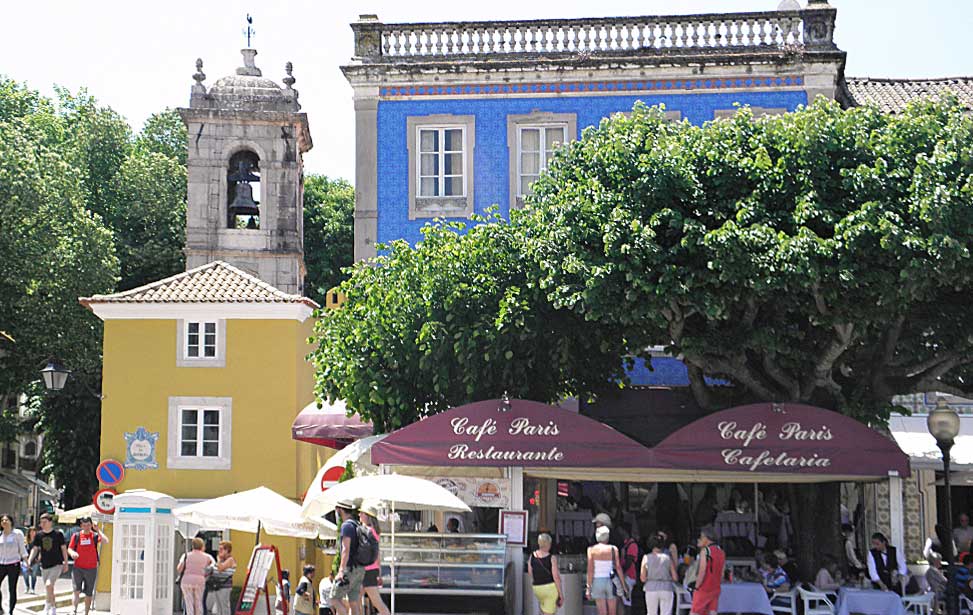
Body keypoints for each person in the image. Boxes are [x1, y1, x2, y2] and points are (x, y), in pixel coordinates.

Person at [67, 517, 109, 615]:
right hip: (78, 567)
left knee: (88, 593)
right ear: (81, 526)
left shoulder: (94, 536)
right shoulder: (76, 536)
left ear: (91, 525)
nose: (86, 527)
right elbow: (70, 548)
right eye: (84, 525)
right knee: (76, 590)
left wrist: (98, 530)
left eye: (88, 525)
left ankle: (86, 612)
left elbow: (106, 540)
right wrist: (72, 553)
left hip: (91, 568)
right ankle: (74, 610)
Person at [329, 500, 364, 615]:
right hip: (359, 568)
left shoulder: (346, 526)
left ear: (340, 510)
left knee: (333, 598)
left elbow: (345, 549)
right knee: (354, 603)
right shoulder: (356, 524)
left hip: (349, 569)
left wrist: (340, 571)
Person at [28, 512, 68, 615]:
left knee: (48, 584)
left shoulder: (58, 534)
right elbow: (35, 549)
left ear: (50, 522)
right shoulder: (39, 535)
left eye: (44, 522)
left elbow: (64, 549)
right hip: (44, 565)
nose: (42, 524)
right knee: (49, 588)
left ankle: (47, 606)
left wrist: (66, 563)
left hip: (57, 564)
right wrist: (29, 560)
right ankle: (53, 607)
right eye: (41, 522)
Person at [587, 526, 628, 615]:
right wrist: (623, 585)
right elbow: (618, 567)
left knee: (602, 612)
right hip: (611, 581)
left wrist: (588, 587)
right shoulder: (614, 549)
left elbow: (590, 570)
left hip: (597, 581)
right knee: (613, 612)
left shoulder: (591, 550)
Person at [358, 504, 389, 615]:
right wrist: (379, 572)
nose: (359, 515)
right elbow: (377, 555)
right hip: (372, 570)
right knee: (357, 602)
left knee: (375, 602)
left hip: (363, 570)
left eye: (361, 513)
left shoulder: (363, 531)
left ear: (367, 516)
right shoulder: (375, 532)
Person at [690, 529, 725, 615]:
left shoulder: (705, 551)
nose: (699, 540)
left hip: (703, 588)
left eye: (701, 537)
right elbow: (722, 574)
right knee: (712, 612)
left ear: (707, 538)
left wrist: (696, 587)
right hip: (715, 588)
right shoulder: (721, 552)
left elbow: (702, 572)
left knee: (695, 612)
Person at [176, 537, 215, 615]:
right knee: (198, 602)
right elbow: (212, 568)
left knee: (189, 603)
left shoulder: (186, 555)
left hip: (186, 581)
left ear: (192, 546)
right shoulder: (207, 557)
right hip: (200, 581)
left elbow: (179, 569)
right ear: (202, 546)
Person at [641, 535, 677, 615]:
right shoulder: (668, 558)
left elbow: (642, 578)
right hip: (666, 588)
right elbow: (675, 577)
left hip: (651, 588)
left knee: (651, 613)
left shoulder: (646, 558)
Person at [529, 533, 563, 615]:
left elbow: (531, 572)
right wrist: (561, 594)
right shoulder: (551, 558)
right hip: (549, 589)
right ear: (548, 544)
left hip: (537, 588)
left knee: (543, 611)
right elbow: (556, 577)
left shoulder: (532, 556)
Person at [0, 514, 25, 615]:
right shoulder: (0, 535)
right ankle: (0, 608)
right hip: (1, 563)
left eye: (6, 520)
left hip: (13, 564)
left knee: (12, 588)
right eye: (2, 520)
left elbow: (22, 549)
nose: (4, 522)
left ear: (11, 522)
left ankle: (11, 610)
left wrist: (27, 563)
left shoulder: (17, 534)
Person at [208, 541, 236, 615]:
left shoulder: (230, 559)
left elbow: (221, 568)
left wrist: (218, 559)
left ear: (227, 550)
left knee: (224, 606)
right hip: (218, 585)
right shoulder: (222, 560)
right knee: (219, 607)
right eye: (219, 549)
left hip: (225, 586)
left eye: (221, 549)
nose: (219, 551)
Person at [618, 524, 640, 612]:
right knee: (623, 599)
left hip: (629, 576)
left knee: (627, 600)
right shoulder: (625, 544)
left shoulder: (632, 545)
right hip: (625, 576)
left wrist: (622, 574)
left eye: (621, 531)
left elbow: (629, 562)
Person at [23, 527, 39, 595]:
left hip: (35, 560)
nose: (32, 533)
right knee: (25, 574)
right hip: (25, 559)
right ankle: (27, 587)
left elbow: (40, 550)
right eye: (31, 532)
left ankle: (32, 588)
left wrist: (39, 558)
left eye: (34, 531)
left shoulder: (38, 540)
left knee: (34, 575)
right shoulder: (25, 540)